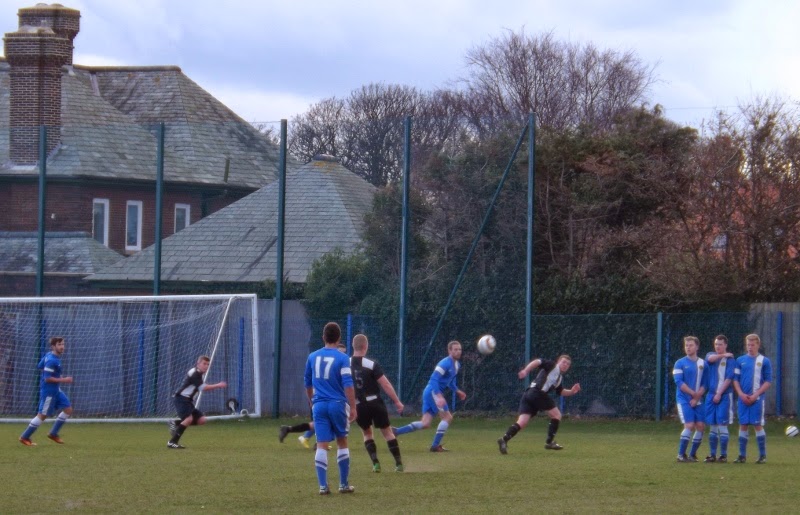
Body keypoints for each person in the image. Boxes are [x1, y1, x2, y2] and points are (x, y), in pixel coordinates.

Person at [305, 322, 357, 495]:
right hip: (337, 405)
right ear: (339, 338)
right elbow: (348, 385)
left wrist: (312, 401)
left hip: (319, 405)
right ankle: (343, 485)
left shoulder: (312, 356)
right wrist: (354, 407)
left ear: (323, 337)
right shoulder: (342, 358)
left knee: (322, 444)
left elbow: (307, 383)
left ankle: (322, 486)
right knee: (342, 441)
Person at [496, 355, 580, 454]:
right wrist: (526, 371)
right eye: (564, 362)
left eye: (568, 364)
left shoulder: (559, 378)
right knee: (557, 415)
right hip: (537, 393)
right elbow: (537, 361)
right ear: (558, 362)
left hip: (528, 394)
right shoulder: (552, 365)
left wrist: (572, 391)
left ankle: (504, 439)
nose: (565, 365)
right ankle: (549, 442)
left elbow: (560, 391)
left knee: (522, 422)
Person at [393, 340, 466, 452]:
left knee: (425, 423)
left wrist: (457, 391)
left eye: (459, 349)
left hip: (430, 392)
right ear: (449, 351)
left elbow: (450, 382)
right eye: (455, 349)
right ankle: (435, 446)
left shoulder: (457, 365)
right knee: (447, 417)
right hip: (433, 392)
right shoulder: (445, 363)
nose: (458, 351)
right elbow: (434, 379)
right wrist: (439, 396)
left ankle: (397, 432)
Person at [350, 333, 405, 472]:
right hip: (375, 403)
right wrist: (397, 401)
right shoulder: (371, 364)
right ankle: (398, 464)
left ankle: (375, 463)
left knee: (367, 433)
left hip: (358, 405)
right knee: (387, 432)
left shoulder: (345, 364)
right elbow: (385, 384)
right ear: (365, 346)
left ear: (353, 346)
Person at [280, 344, 348, 448]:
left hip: (322, 400)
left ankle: (291, 430)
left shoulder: (322, 361)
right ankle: (315, 441)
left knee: (319, 423)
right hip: (324, 400)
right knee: (332, 422)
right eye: (341, 351)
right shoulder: (332, 364)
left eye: (344, 352)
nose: (343, 353)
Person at [19, 336, 73, 446]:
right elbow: (47, 378)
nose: (62, 347)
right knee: (42, 415)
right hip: (49, 392)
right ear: (53, 346)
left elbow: (39, 366)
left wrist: (55, 375)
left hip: (56, 390)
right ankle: (24, 437)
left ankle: (53, 433)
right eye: (59, 345)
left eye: (63, 344)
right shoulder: (52, 360)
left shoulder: (49, 355)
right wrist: (63, 379)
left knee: (68, 409)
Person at [167, 355, 227, 449]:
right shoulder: (195, 373)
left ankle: (176, 422)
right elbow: (203, 388)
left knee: (202, 420)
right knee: (189, 419)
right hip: (181, 399)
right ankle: (172, 442)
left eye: (208, 364)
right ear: (198, 363)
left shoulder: (198, 373)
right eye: (204, 363)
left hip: (187, 401)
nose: (206, 366)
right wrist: (218, 385)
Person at [732, 333, 772, 464]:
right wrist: (741, 394)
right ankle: (742, 455)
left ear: (758, 345)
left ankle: (763, 455)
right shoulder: (740, 360)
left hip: (757, 399)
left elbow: (768, 381)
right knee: (743, 424)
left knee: (757, 425)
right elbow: (735, 380)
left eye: (752, 345)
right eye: (748, 344)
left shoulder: (764, 361)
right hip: (743, 398)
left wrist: (756, 395)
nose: (750, 347)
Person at [673, 336, 707, 462]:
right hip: (684, 399)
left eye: (691, 345)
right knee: (689, 424)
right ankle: (681, 455)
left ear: (697, 347)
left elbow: (705, 383)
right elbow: (679, 382)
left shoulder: (703, 364)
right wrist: (693, 395)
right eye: (686, 345)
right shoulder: (679, 363)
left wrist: (697, 397)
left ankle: (692, 454)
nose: (688, 347)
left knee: (700, 426)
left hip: (697, 400)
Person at [703, 334, 735, 463]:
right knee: (712, 424)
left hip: (725, 395)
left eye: (720, 344)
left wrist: (719, 393)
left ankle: (723, 455)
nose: (718, 347)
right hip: (711, 395)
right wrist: (723, 355)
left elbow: (728, 379)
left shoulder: (731, 361)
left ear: (725, 345)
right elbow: (710, 359)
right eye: (716, 344)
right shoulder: (712, 355)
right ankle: (712, 454)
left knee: (722, 424)